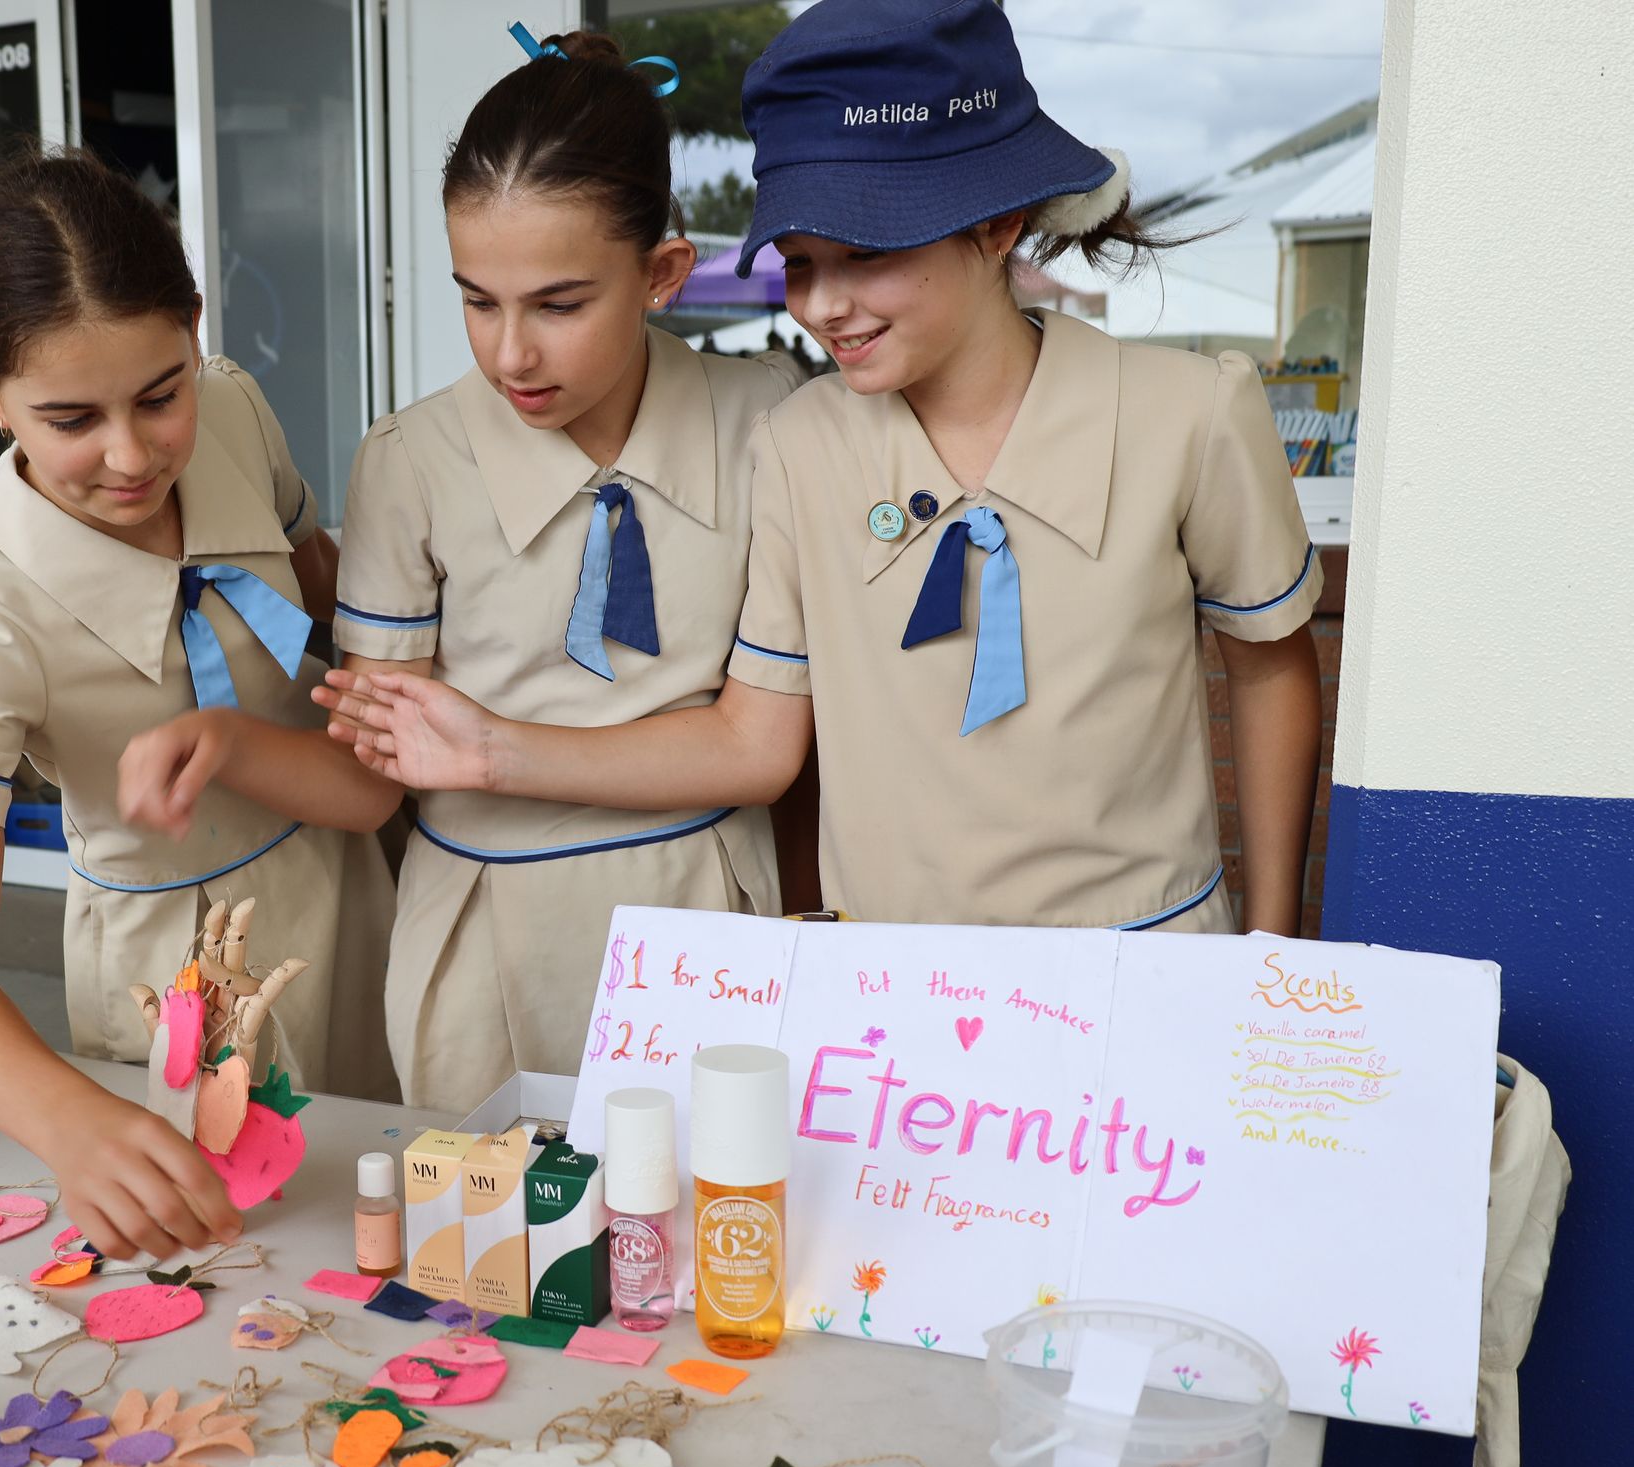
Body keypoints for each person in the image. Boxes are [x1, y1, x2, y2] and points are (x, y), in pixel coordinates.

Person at [323, 0, 1323, 942]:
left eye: (865, 251)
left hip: (1146, 973)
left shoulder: (1192, 414)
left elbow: (1271, 665)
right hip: (885, 1001)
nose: (822, 306)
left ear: (997, 224)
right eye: (799, 262)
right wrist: (489, 748)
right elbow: (759, 743)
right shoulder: (799, 445)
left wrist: (1271, 951)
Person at [246, 28, 797, 1116]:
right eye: (477, 300)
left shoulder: (769, 423)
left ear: (662, 274)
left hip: (706, 923)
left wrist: (495, 751)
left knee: (719, 1209)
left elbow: (763, 749)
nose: (510, 354)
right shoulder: (410, 461)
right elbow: (382, 764)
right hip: (479, 940)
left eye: (558, 304)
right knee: (485, 1215)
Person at [0, 146, 395, 1261]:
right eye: (70, 418)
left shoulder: (236, 416)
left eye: (160, 395)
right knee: (224, 1264)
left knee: (384, 1221)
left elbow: (333, 622)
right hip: (163, 971)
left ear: (196, 332)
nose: (129, 455)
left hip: (347, 890)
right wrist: (71, 1121)